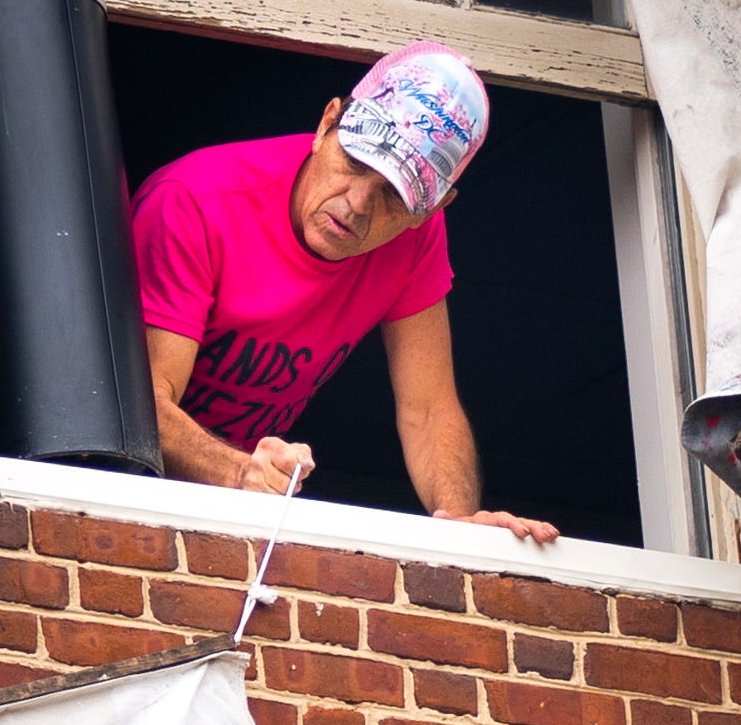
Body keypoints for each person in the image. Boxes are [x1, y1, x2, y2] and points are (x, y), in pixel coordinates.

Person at [129, 45, 561, 550]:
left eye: (394, 194)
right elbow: (141, 405)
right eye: (354, 160)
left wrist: (459, 523)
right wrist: (240, 470)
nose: (356, 204)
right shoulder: (195, 200)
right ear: (327, 123)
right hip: (126, 488)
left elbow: (429, 408)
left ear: (433, 207)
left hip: (244, 505)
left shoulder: (416, 234)